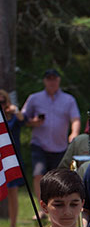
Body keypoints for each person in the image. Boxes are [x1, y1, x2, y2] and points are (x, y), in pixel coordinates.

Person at [21, 69, 82, 202]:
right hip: (39, 144)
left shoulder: (68, 99)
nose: (52, 82)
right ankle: (41, 206)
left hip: (60, 146)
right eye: (49, 79)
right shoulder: (34, 98)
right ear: (44, 81)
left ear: (59, 80)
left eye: (54, 79)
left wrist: (74, 133)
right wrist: (33, 122)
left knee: (57, 178)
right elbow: (23, 118)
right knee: (38, 174)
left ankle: (54, 204)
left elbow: (75, 119)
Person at [0, 88, 26, 227]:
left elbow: (23, 119)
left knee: (12, 192)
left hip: (11, 158)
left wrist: (15, 110)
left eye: (3, 101)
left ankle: (13, 226)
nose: (1, 105)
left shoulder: (13, 118)